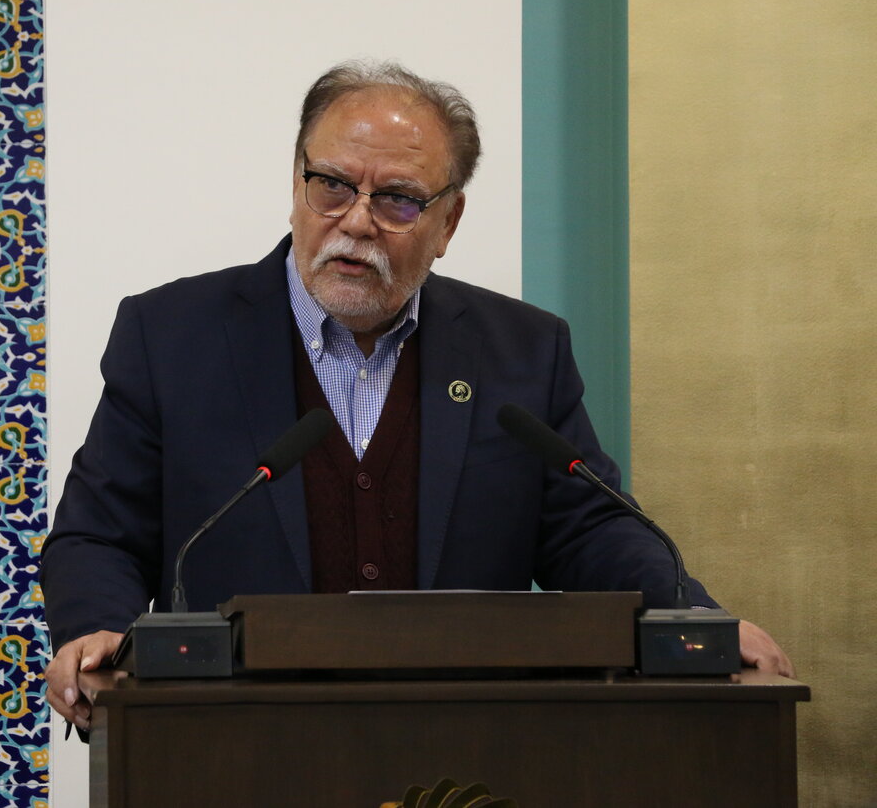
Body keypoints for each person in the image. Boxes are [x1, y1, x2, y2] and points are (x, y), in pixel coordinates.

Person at [41, 61, 793, 729]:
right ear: (297, 182)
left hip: (464, 746)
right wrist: (97, 629)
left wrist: (694, 618)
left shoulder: (522, 351)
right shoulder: (172, 336)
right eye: (332, 185)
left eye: (398, 199)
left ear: (448, 221)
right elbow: (100, 533)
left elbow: (590, 529)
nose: (356, 220)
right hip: (229, 740)